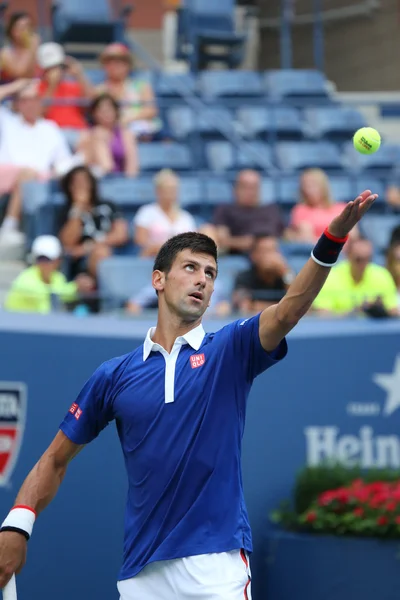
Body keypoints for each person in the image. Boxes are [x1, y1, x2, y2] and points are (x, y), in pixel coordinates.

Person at [0, 190, 377, 599]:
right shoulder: (113, 375)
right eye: (191, 268)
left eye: (211, 273)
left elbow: (289, 310)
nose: (202, 279)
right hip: (141, 574)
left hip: (216, 567)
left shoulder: (230, 348)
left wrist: (332, 239)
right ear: (158, 279)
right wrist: (18, 525)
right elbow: (54, 459)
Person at [0, 79, 71, 243]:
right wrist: (15, 86)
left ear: (40, 102)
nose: (29, 104)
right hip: (5, 174)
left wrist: (56, 172)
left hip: (38, 179)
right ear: (17, 103)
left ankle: (13, 226)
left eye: (34, 99)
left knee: (30, 177)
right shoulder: (7, 121)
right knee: (27, 174)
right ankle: (10, 224)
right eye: (24, 100)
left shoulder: (50, 127)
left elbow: (63, 160)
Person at [58, 165, 129, 278]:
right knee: (100, 253)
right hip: (83, 263)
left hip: (114, 254)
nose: (80, 186)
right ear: (69, 187)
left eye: (84, 181)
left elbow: (121, 234)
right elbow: (68, 244)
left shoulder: (108, 205)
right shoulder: (66, 211)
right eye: (75, 183)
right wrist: (78, 208)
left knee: (101, 251)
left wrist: (88, 247)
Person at [4, 235, 93, 313]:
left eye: (48, 259)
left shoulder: (58, 277)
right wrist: (75, 287)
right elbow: (47, 306)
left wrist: (77, 287)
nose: (43, 264)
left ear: (58, 261)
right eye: (40, 259)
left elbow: (61, 292)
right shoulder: (25, 280)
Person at [313, 237, 398, 317]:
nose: (363, 264)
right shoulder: (330, 277)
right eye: (358, 259)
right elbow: (323, 315)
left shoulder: (382, 275)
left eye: (368, 259)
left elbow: (393, 310)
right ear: (348, 256)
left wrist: (380, 311)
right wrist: (355, 312)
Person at [96, 43, 163, 140]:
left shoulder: (141, 86)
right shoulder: (99, 90)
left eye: (119, 62)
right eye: (109, 62)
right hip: (110, 133)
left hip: (139, 131)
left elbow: (151, 111)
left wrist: (128, 119)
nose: (114, 66)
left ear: (128, 65)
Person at [213, 169, 285, 255]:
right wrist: (251, 243)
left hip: (272, 251)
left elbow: (284, 236)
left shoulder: (271, 210)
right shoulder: (225, 209)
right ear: (236, 189)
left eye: (254, 187)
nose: (250, 192)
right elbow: (223, 240)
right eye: (245, 187)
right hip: (246, 253)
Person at [134, 169, 197, 257]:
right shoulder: (146, 212)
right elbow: (141, 241)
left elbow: (192, 245)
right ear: (158, 191)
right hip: (154, 259)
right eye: (167, 189)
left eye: (173, 189)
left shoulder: (186, 217)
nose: (171, 193)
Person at [77, 93, 139, 177]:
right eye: (101, 110)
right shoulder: (85, 135)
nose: (106, 114)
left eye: (109, 109)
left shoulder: (126, 134)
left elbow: (132, 166)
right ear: (94, 113)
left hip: (120, 181)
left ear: (116, 111)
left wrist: (128, 183)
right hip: (94, 179)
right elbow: (82, 162)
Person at [37, 42, 93, 132]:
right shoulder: (37, 88)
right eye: (49, 68)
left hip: (78, 131)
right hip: (52, 132)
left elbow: (92, 104)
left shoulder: (72, 86)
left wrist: (79, 75)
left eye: (57, 66)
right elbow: (41, 113)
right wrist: (52, 85)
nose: (54, 71)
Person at [233, 236, 294, 314]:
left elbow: (299, 303)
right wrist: (283, 307)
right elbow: (244, 307)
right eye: (265, 251)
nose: (271, 256)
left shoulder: (287, 274)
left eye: (274, 251)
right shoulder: (243, 277)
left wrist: (285, 273)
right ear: (254, 256)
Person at [285, 168, 348, 243]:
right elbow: (303, 239)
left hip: (342, 250)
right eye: (305, 186)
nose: (308, 190)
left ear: (323, 186)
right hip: (315, 251)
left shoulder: (341, 208)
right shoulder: (300, 210)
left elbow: (352, 237)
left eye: (313, 185)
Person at [0, 12, 40, 82]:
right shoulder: (6, 53)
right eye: (22, 27)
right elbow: (20, 74)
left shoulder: (37, 50)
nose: (27, 31)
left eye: (29, 26)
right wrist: (32, 48)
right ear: (12, 31)